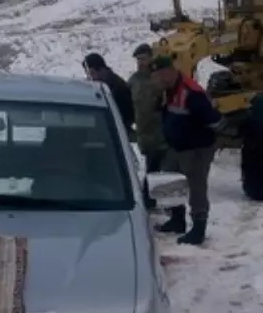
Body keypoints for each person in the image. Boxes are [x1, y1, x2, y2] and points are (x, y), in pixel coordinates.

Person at [150, 55, 222, 245]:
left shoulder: (191, 92)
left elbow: (213, 120)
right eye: (156, 76)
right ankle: (177, 219)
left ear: (170, 72)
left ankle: (199, 227)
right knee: (171, 182)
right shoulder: (168, 90)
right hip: (177, 147)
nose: (159, 80)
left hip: (197, 148)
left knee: (196, 187)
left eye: (161, 75)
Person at [128, 43, 166, 209]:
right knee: (152, 167)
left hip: (160, 132)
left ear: (151, 58)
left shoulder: (159, 77)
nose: (140, 63)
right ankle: (150, 199)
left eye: (143, 58)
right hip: (144, 131)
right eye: (138, 59)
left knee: (158, 168)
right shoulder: (134, 80)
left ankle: (151, 200)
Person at [83, 52, 135, 132]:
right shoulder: (101, 86)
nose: (90, 78)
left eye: (91, 73)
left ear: (101, 69)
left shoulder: (117, 87)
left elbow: (125, 116)